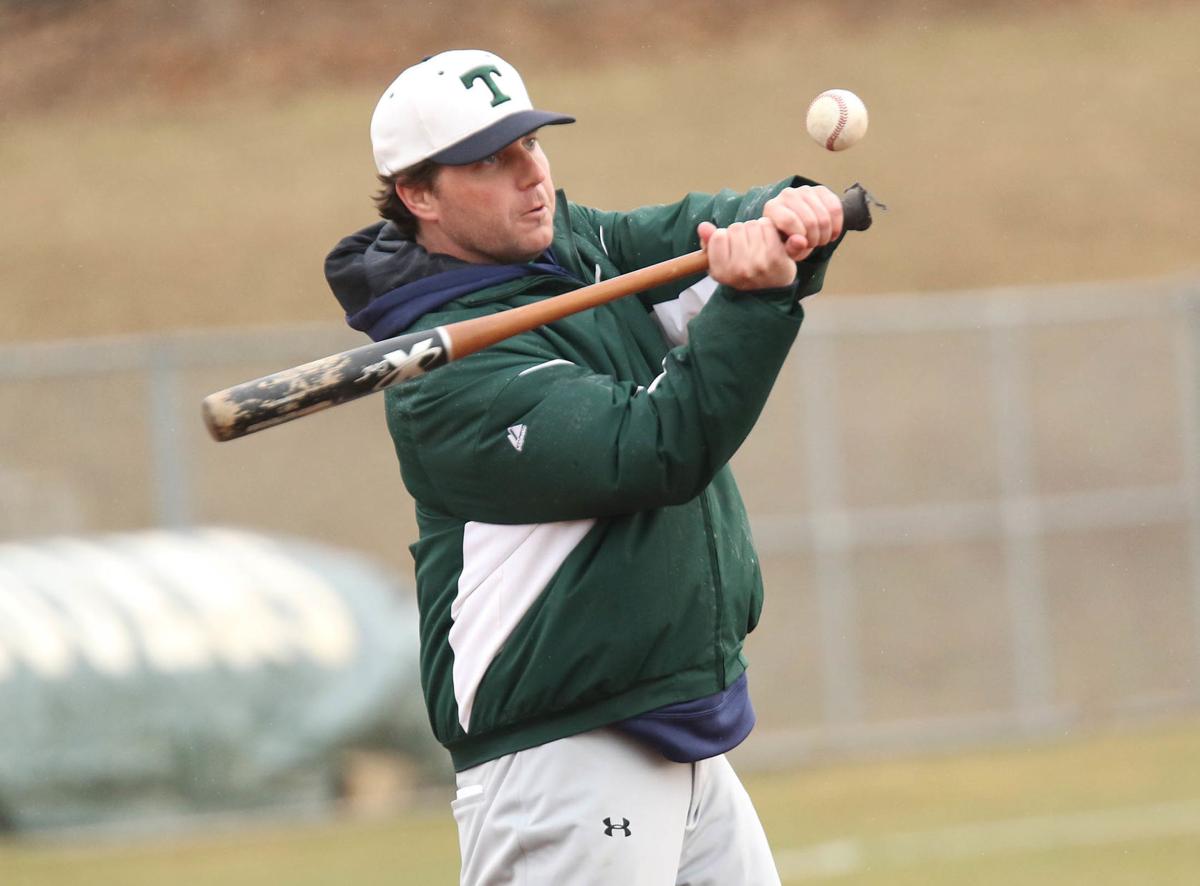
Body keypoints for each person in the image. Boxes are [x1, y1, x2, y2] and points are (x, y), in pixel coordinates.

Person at [325, 49, 844, 886]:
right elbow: (656, 448)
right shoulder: (446, 385)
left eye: (531, 144)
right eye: (491, 162)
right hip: (560, 762)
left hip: (672, 730)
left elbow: (696, 234)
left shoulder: (581, 249)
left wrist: (780, 218)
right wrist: (755, 299)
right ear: (419, 195)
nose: (531, 175)